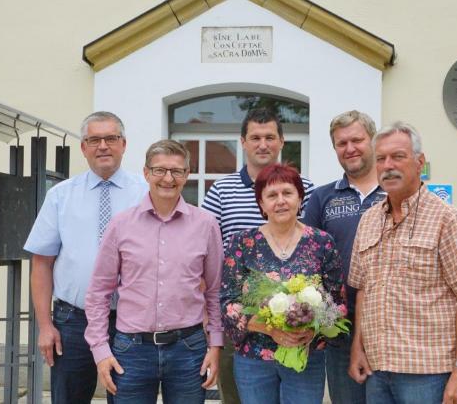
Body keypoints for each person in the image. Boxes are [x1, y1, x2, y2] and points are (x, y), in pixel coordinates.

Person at [347, 121, 457, 404]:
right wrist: (357, 349)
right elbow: (363, 290)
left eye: (398, 156)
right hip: (377, 369)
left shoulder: (446, 218)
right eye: (381, 159)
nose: (388, 165)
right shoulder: (369, 219)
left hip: (428, 374)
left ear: (419, 162)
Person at [84, 139, 224, 404]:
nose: (168, 178)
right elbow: (99, 293)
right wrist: (100, 349)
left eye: (176, 171)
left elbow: (215, 291)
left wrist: (215, 345)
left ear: (186, 175)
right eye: (159, 170)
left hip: (188, 348)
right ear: (146, 173)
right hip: (131, 351)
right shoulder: (121, 225)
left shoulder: (206, 225)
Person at [24, 111, 148, 404]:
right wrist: (45, 326)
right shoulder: (60, 196)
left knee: (128, 398)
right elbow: (42, 263)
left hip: (129, 322)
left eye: (110, 138)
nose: (102, 146)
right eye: (94, 140)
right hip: (73, 321)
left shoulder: (146, 195)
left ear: (124, 144)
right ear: (83, 147)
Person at [202, 107, 315, 404]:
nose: (262, 144)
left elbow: (315, 250)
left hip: (297, 323)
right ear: (243, 142)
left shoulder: (305, 190)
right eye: (255, 137)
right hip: (239, 325)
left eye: (269, 137)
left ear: (281, 141)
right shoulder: (221, 191)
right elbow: (203, 253)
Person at [220, 163, 343, 404]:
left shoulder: (321, 243)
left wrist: (312, 327)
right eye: (271, 195)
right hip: (254, 359)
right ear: (261, 204)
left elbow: (337, 302)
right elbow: (228, 302)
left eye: (287, 193)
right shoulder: (242, 243)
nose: (280, 201)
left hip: (306, 357)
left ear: (300, 198)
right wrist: (270, 329)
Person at [302, 110, 385, 404]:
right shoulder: (322, 198)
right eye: (341, 143)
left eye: (357, 140)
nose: (349, 148)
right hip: (342, 326)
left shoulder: (396, 193)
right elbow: (307, 259)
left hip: (391, 323)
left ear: (373, 140)